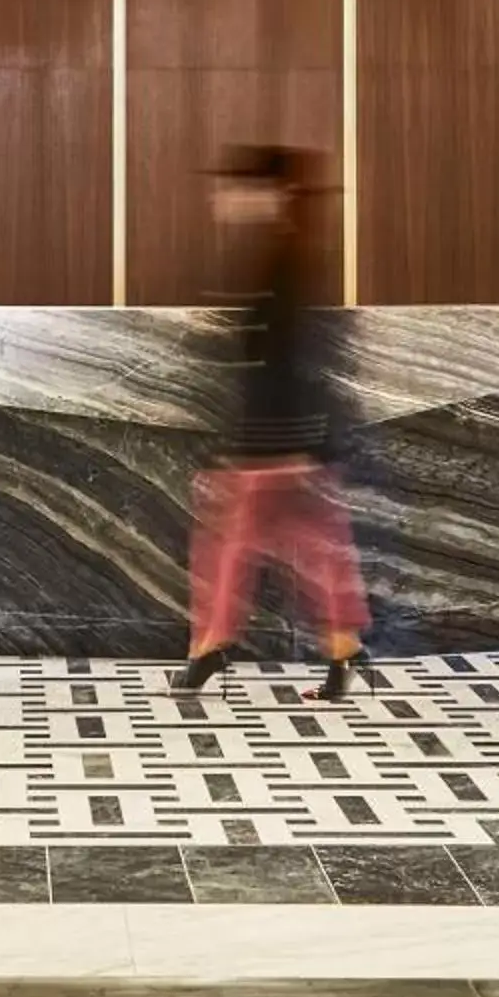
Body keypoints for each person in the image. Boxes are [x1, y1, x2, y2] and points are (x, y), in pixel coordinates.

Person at [180, 144, 368, 704]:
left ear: (264, 194)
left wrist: (253, 444)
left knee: (228, 548)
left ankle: (211, 647)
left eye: (233, 188)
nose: (221, 198)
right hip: (296, 441)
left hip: (273, 443)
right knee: (317, 544)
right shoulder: (291, 251)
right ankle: (341, 648)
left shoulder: (280, 259)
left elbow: (285, 358)